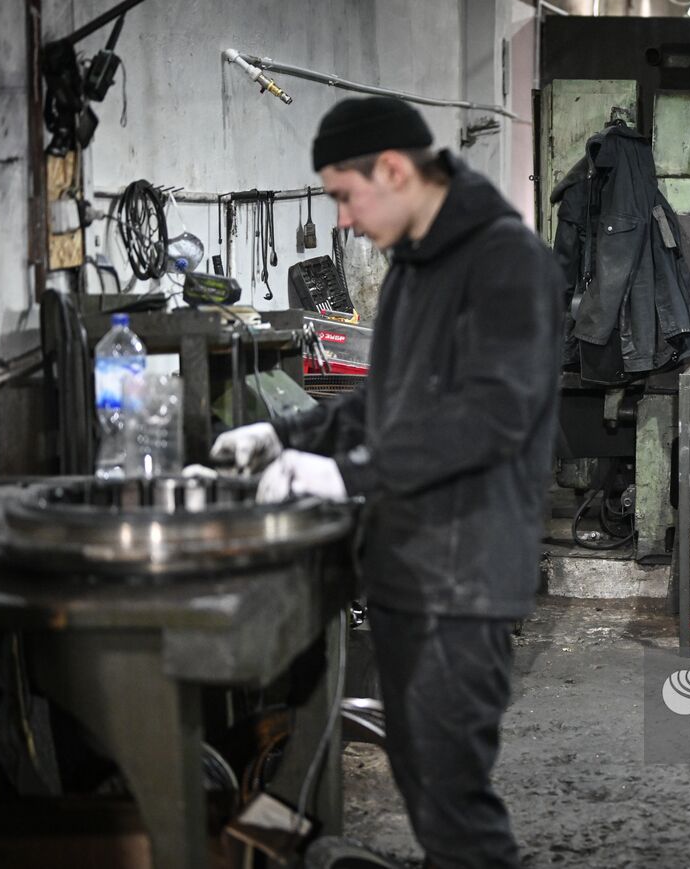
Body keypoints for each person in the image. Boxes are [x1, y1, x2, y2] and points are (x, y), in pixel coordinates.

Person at [210, 97, 563, 868]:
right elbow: (384, 404)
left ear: (395, 170)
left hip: (463, 579)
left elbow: (493, 417)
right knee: (424, 783)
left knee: (454, 805)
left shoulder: (507, 261)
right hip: (408, 564)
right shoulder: (413, 265)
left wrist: (347, 474)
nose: (340, 219)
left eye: (343, 195)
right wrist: (284, 433)